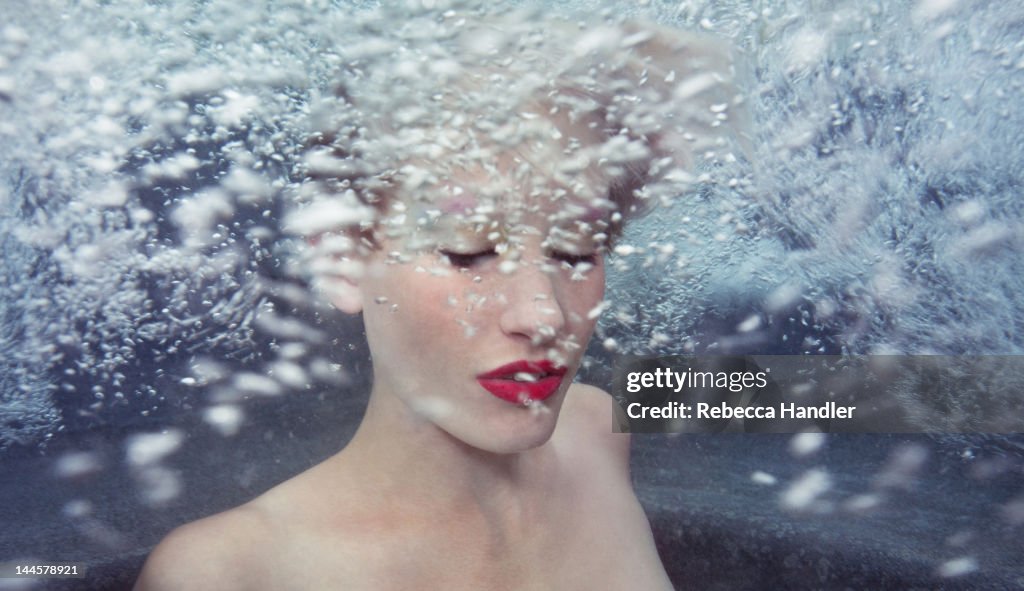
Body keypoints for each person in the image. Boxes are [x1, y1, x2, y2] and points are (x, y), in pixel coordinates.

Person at [135, 7, 741, 590]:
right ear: (342, 260)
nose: (544, 314)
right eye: (466, 251)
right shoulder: (227, 574)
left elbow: (801, 398)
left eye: (577, 251)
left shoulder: (594, 426)